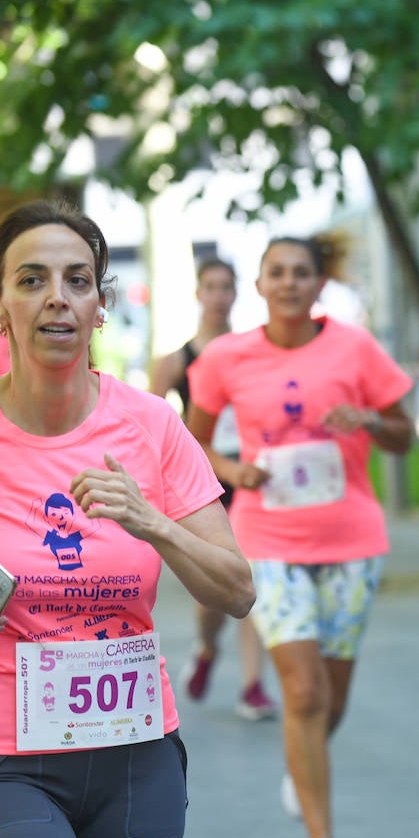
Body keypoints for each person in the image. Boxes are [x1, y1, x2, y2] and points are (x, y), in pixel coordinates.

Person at [0, 199, 255, 838]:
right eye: (32, 280)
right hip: (3, 759)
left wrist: (151, 521)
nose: (57, 299)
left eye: (77, 281)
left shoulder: (153, 426)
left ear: (101, 306)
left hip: (137, 757)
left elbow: (237, 590)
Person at [185, 235, 415, 838]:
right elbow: (194, 441)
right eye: (276, 273)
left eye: (301, 274)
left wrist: (368, 418)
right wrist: (234, 470)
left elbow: (400, 432)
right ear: (259, 286)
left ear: (320, 285)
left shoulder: (355, 348)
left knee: (330, 698)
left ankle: (302, 760)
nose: (289, 283)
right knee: (304, 692)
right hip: (269, 540)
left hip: (351, 540)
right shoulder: (229, 357)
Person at [148, 257, 276, 721]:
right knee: (214, 591)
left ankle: (252, 686)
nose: (220, 295)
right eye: (212, 287)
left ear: (236, 293)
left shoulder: (252, 353)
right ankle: (206, 647)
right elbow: (152, 426)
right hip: (200, 480)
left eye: (227, 287)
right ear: (199, 294)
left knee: (252, 579)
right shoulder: (175, 361)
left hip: (250, 474)